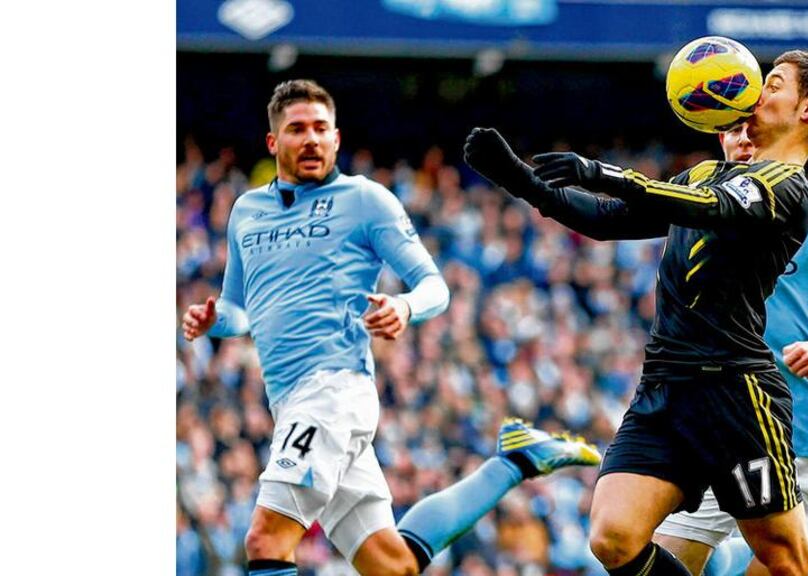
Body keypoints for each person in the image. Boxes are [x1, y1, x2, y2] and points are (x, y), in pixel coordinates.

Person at [181, 79, 600, 576]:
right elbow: (239, 310)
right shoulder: (246, 212)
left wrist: (404, 307)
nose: (311, 138)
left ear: (336, 138)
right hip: (289, 400)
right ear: (273, 142)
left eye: (320, 128)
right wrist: (213, 320)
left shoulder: (364, 200)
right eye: (297, 129)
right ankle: (516, 461)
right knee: (392, 565)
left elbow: (434, 286)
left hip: (332, 391)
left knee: (266, 537)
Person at [463, 50, 808, 576]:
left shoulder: (789, 189)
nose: (757, 93)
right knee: (613, 538)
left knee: (785, 559)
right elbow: (608, 221)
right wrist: (521, 180)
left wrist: (601, 172)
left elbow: (713, 207)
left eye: (774, 84)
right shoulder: (707, 174)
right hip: (666, 387)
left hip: (735, 395)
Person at [651, 123, 808, 576]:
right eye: (731, 129)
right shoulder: (701, 208)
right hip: (720, 424)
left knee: (783, 566)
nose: (744, 140)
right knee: (662, 560)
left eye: (754, 130)